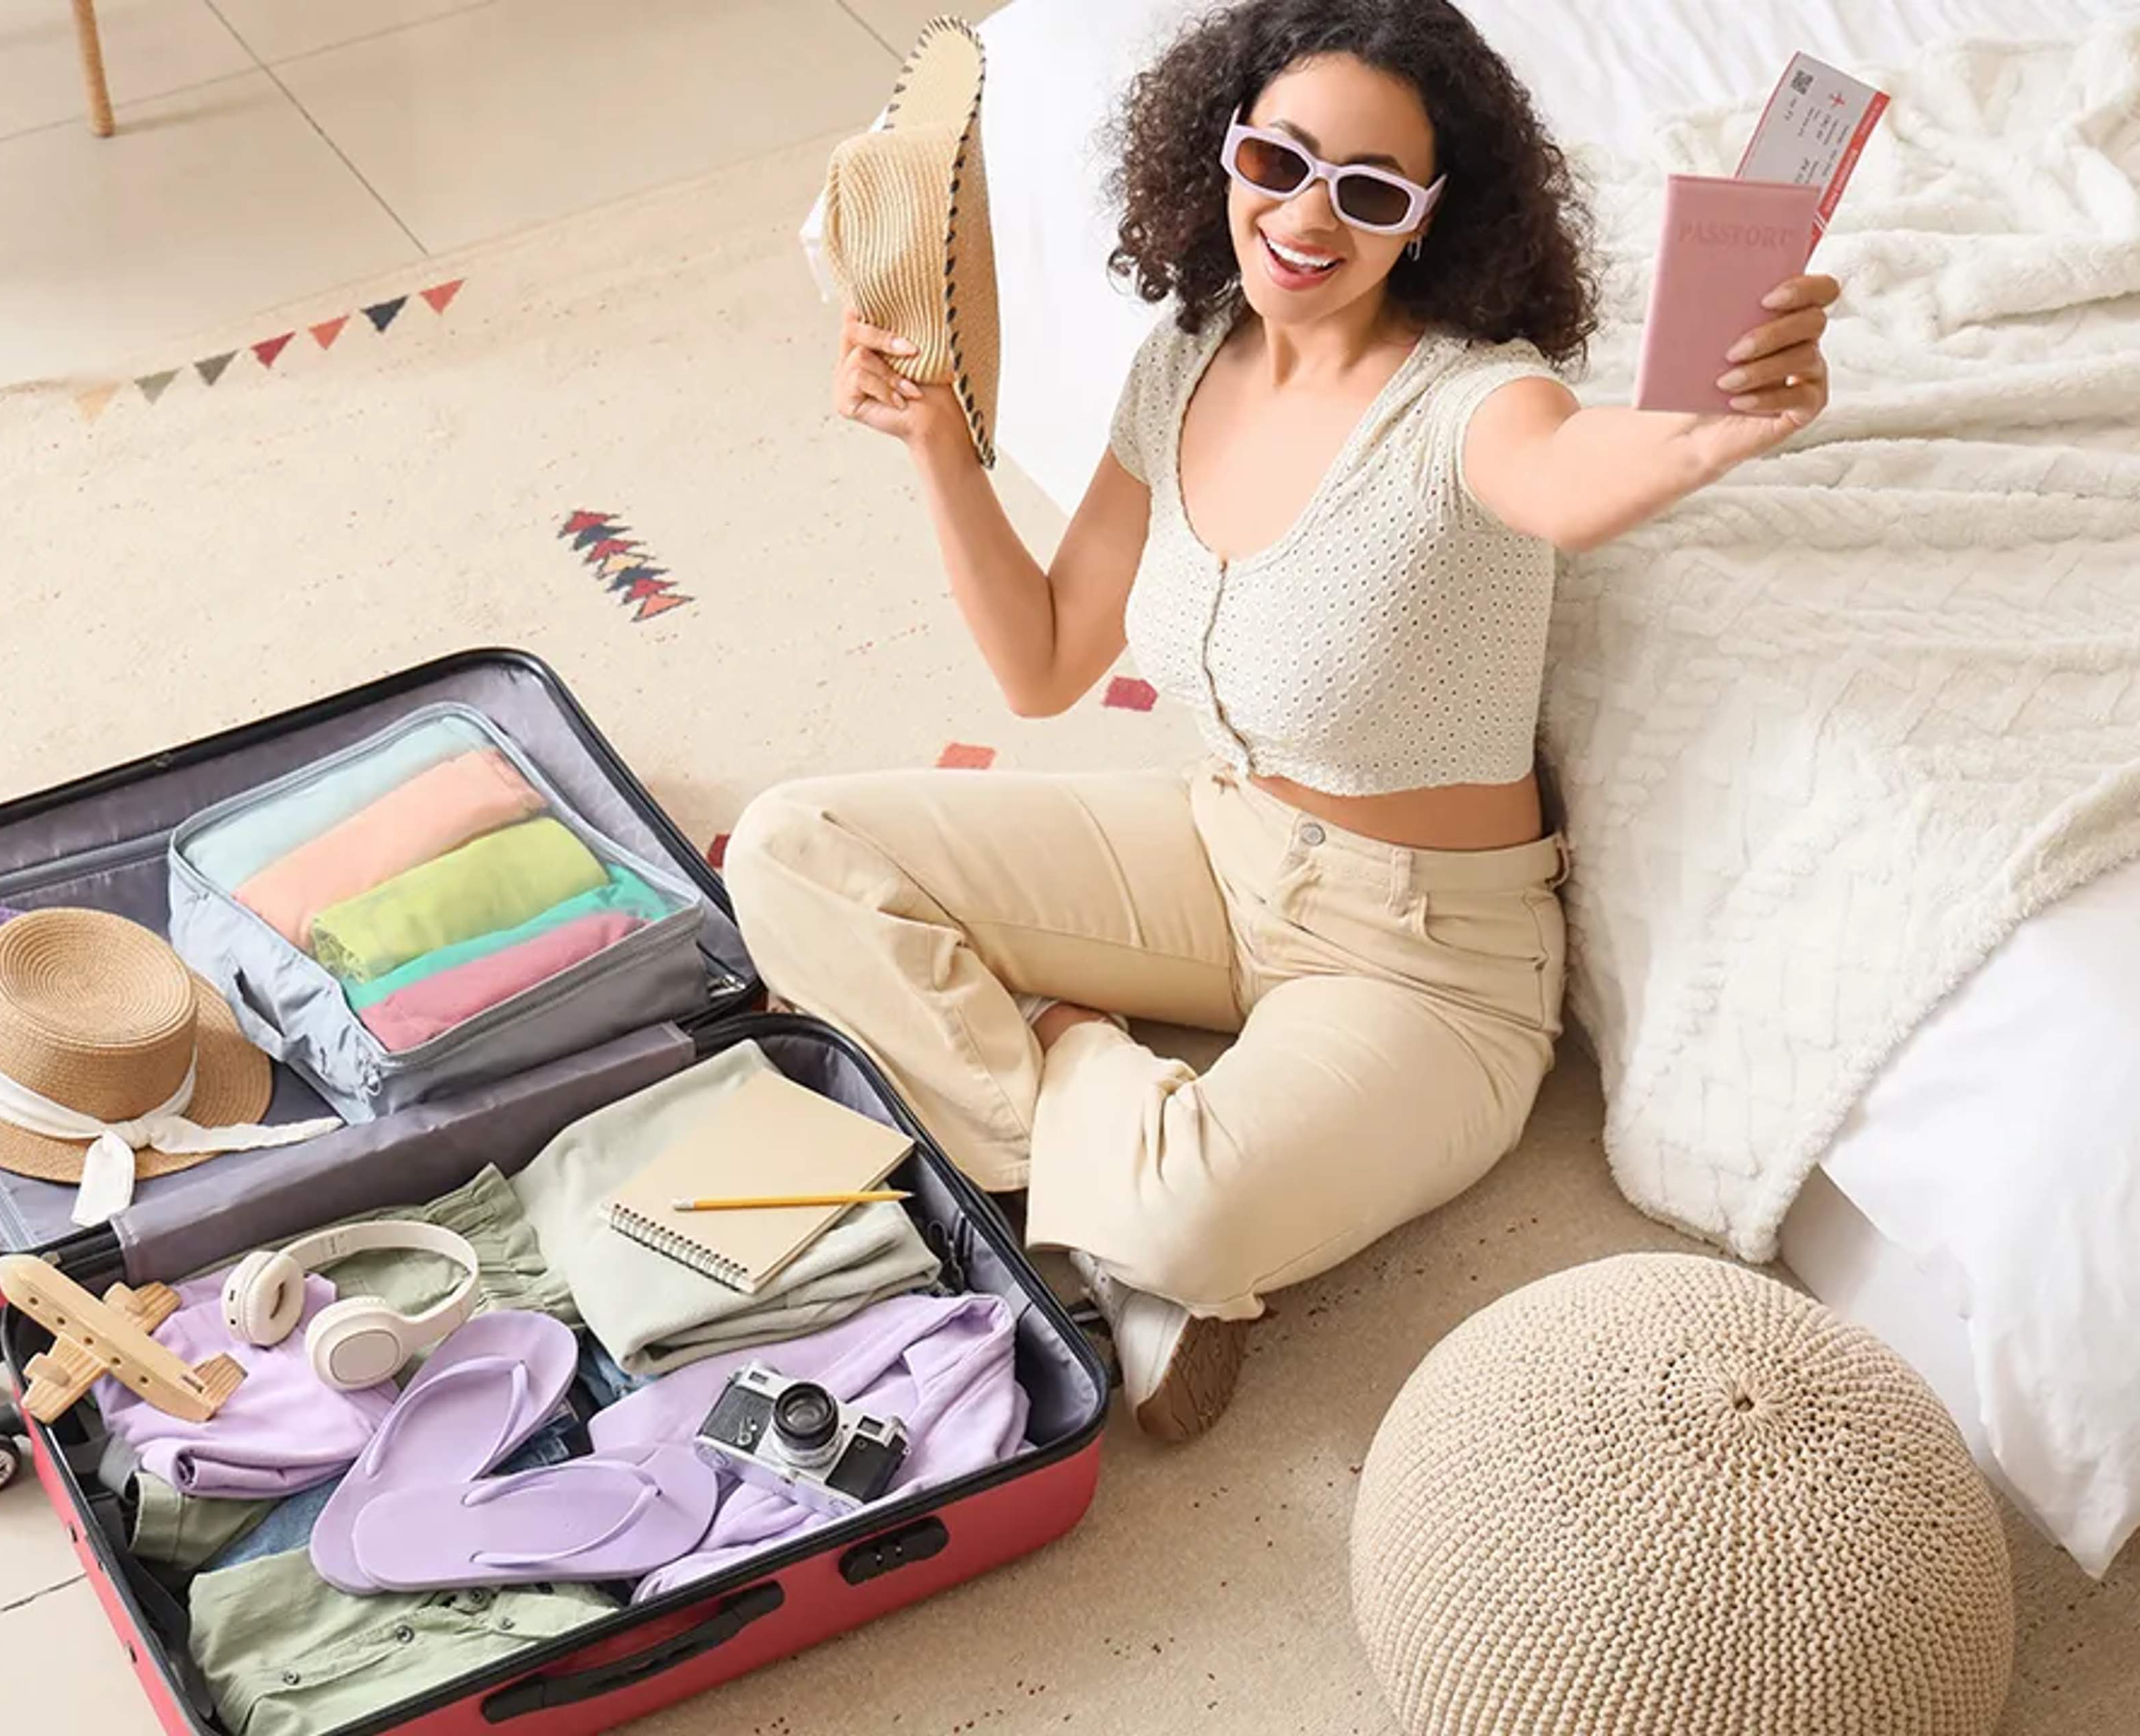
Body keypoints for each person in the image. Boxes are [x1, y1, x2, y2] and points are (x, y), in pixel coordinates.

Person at [726, 0, 1840, 1442]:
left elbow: (1571, 479)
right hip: (1220, 839)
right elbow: (1047, 663)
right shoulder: (1185, 356)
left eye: (1370, 192)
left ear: (1429, 221)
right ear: (1223, 152)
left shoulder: (1476, 403)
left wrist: (1714, 427)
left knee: (1184, 1222)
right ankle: (1089, 1127)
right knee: (790, 843)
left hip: (1431, 964)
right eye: (1280, 162)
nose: (1309, 217)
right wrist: (939, 447)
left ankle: (1064, 1074)